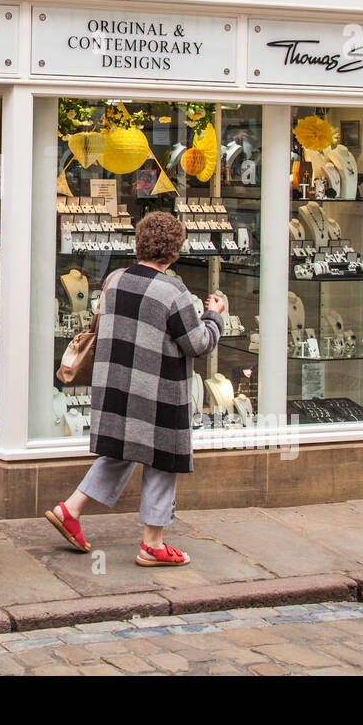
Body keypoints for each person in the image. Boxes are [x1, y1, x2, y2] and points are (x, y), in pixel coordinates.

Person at [45, 210, 223, 567]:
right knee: (162, 459)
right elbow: (198, 344)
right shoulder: (174, 291)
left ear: (140, 242)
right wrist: (215, 315)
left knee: (120, 452)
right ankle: (153, 544)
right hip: (157, 390)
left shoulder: (115, 279)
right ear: (174, 250)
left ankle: (70, 510)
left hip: (116, 386)